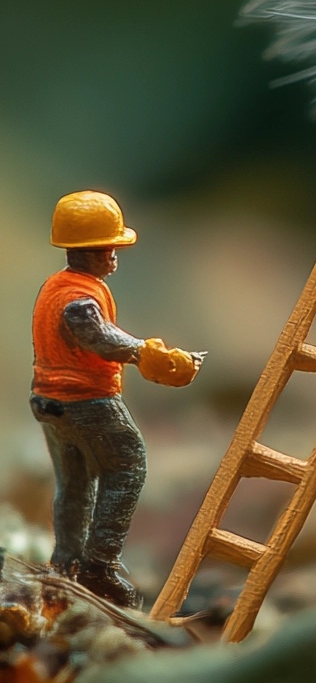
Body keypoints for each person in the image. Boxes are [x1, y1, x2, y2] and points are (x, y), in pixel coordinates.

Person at [30, 191, 202, 607]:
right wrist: (146, 352)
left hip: (48, 401)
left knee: (74, 485)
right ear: (88, 251)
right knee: (128, 465)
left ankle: (65, 563)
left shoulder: (60, 286)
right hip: (86, 400)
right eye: (110, 247)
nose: (115, 255)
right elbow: (98, 338)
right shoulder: (78, 299)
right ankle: (98, 567)